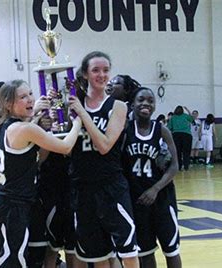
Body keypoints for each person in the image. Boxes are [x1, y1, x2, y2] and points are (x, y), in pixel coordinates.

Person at [0, 79, 82, 268]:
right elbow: (65, 147)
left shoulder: (9, 126)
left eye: (30, 94)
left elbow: (37, 160)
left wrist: (36, 118)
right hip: (10, 206)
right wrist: (79, 120)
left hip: (11, 204)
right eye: (23, 97)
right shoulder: (24, 128)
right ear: (8, 104)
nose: (30, 99)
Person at [67, 51, 139, 268]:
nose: (102, 74)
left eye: (106, 70)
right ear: (86, 74)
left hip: (110, 186)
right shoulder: (73, 104)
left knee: (127, 251)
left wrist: (82, 114)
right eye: (96, 70)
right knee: (97, 255)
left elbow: (105, 145)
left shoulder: (118, 106)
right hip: (82, 187)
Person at [122, 87, 182, 268]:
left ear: (155, 106)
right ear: (132, 104)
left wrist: (155, 189)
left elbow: (174, 166)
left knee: (171, 250)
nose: (145, 103)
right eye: (141, 100)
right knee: (145, 253)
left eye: (150, 100)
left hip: (162, 198)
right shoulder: (125, 130)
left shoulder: (162, 130)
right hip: (137, 200)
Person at [167, 106, 193, 171]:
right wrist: (188, 110)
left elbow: (169, 127)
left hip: (176, 135)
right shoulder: (185, 116)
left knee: (177, 152)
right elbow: (192, 119)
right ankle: (186, 166)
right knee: (186, 151)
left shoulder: (173, 117)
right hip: (186, 135)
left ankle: (179, 166)